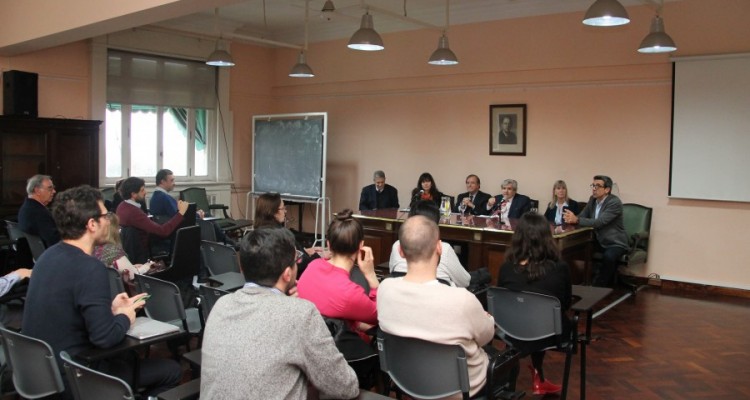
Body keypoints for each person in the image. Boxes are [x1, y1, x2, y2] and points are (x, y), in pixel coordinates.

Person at [21, 185, 181, 397]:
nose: (109, 220)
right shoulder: (90, 267)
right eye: (105, 215)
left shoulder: (47, 257)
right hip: (78, 375)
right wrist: (125, 316)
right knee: (172, 371)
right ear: (92, 224)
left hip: (42, 373)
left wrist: (111, 308)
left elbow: (67, 310)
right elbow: (104, 338)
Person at [200, 227, 359, 400]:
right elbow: (345, 386)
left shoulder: (221, 305)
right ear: (287, 274)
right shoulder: (301, 314)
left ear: (242, 268)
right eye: (296, 262)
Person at [378, 215, 496, 397]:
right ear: (440, 248)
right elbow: (486, 336)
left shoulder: (384, 290)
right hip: (461, 390)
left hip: (406, 381)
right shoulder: (462, 300)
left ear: (400, 251)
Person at [497, 212, 571, 396]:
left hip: (512, 330)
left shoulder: (507, 268)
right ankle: (538, 376)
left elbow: (503, 301)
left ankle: (509, 381)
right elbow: (565, 303)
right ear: (547, 237)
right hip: (549, 333)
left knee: (525, 319)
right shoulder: (560, 268)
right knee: (542, 318)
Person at [563, 175, 629, 287]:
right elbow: (583, 216)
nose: (594, 188)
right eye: (593, 185)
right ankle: (579, 281)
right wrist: (572, 219)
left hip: (614, 243)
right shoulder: (592, 200)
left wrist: (577, 219)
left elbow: (599, 222)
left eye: (597, 186)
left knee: (609, 257)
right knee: (576, 250)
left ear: (607, 189)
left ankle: (600, 287)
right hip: (598, 240)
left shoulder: (614, 203)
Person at [390, 200, 470, 287]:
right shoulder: (444, 249)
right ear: (436, 222)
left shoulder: (397, 244)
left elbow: (392, 272)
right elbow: (465, 281)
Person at [116, 177, 189, 263]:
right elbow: (163, 231)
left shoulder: (122, 206)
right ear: (133, 194)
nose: (145, 192)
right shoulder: (134, 212)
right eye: (142, 190)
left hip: (131, 252)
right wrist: (180, 213)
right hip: (141, 255)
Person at [253, 192, 321, 277]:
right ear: (273, 212)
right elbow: (300, 263)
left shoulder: (253, 236)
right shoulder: (283, 236)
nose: (285, 211)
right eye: (283, 208)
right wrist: (317, 256)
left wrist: (305, 252)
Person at [18, 174, 60, 247]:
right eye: (50, 188)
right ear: (37, 191)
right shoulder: (38, 213)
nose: (54, 191)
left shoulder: (27, 207)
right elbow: (54, 240)